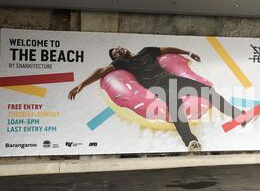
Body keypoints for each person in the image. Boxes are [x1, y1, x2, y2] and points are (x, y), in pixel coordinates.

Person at [68, 46, 245, 151]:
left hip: (172, 79)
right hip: (157, 87)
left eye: (119, 47)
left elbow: (166, 49)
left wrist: (188, 52)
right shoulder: (122, 64)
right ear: (116, 58)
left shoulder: (146, 52)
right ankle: (190, 140)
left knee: (207, 91)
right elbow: (100, 72)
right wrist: (81, 85)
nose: (118, 50)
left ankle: (239, 115)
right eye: (115, 52)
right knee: (176, 104)